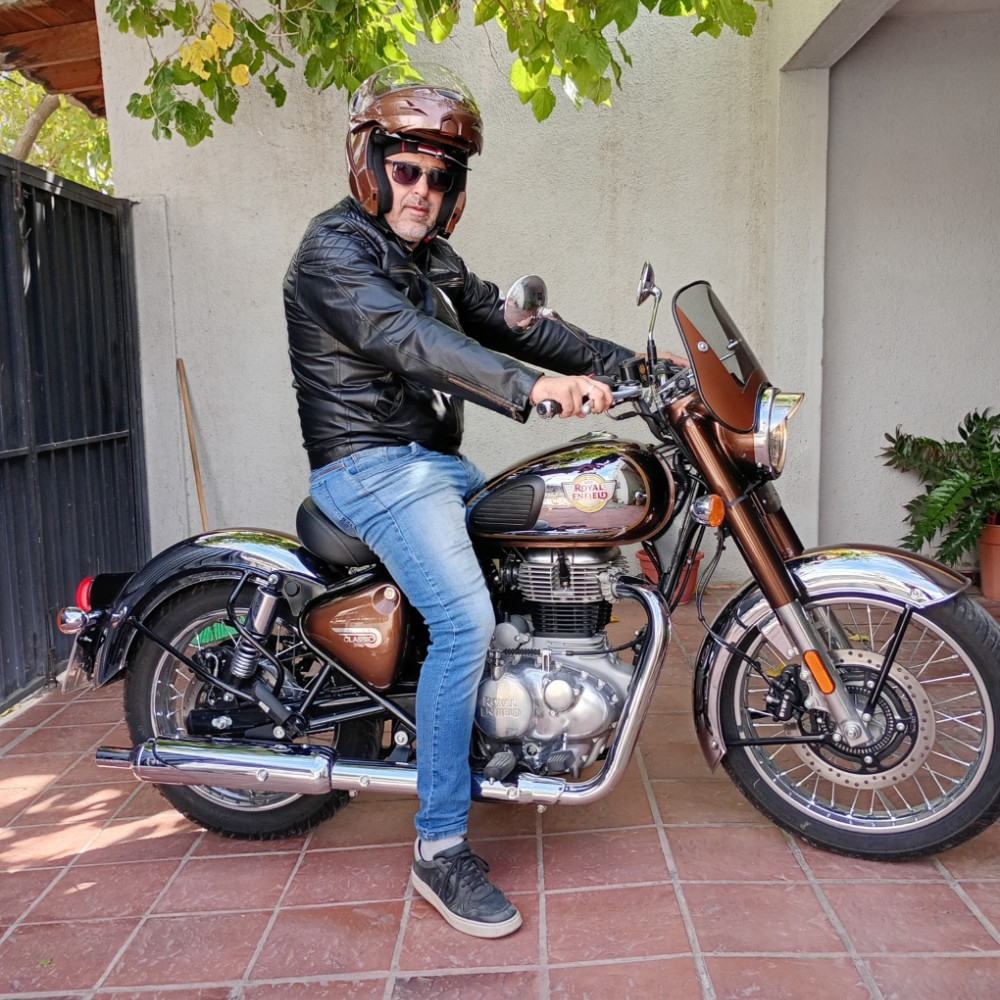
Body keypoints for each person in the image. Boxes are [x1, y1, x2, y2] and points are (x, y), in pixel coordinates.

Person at [283, 64, 664, 939]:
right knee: (464, 622)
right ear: (371, 166)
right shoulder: (334, 251)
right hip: (371, 469)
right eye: (406, 170)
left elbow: (518, 325)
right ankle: (439, 846)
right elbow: (408, 338)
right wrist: (531, 389)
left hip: (432, 466)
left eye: (439, 176)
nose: (422, 189)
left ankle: (503, 728)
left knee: (534, 564)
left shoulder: (436, 260)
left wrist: (634, 370)